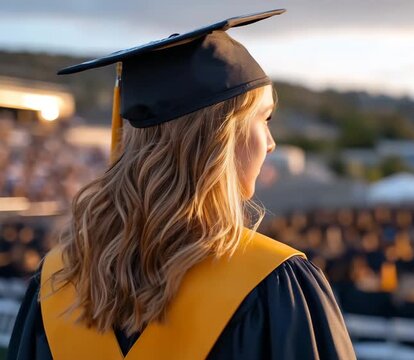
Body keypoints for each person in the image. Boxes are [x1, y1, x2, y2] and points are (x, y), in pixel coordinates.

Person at [8, 9, 356, 360]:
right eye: (264, 119)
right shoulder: (276, 285)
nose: (270, 142)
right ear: (222, 138)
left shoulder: (57, 282)